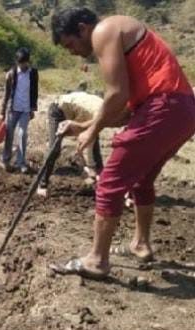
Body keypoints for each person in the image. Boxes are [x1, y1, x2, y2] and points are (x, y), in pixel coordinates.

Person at [49, 8, 195, 279]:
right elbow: (125, 111)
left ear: (82, 28)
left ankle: (97, 261)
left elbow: (116, 94)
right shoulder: (126, 37)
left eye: (70, 44)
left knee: (109, 182)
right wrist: (82, 126)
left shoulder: (104, 31)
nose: (72, 52)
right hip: (183, 110)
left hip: (163, 107)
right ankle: (141, 244)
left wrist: (91, 132)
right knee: (142, 180)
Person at [37, 91, 104, 198]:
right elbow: (84, 138)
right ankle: (41, 184)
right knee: (54, 148)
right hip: (58, 110)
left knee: (95, 149)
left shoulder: (107, 110)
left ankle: (99, 181)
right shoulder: (100, 113)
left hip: (77, 112)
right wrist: (89, 165)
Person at [0, 48, 39, 174]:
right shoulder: (11, 74)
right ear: (17, 62)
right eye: (20, 63)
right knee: (9, 134)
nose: (23, 66)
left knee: (22, 134)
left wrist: (33, 108)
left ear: (28, 61)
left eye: (25, 63)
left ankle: (21, 162)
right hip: (13, 109)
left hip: (26, 109)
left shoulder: (33, 73)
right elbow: (6, 94)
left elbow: (34, 91)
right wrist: (2, 110)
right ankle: (5, 160)